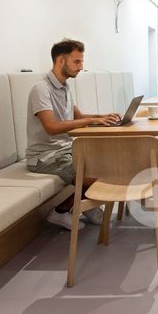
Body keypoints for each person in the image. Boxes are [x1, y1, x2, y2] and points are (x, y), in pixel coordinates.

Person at [27, 39, 121, 230]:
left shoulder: (65, 87)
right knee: (100, 179)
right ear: (61, 61)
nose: (81, 66)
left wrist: (103, 117)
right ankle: (60, 212)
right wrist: (89, 121)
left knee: (108, 166)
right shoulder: (41, 89)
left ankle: (87, 206)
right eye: (76, 61)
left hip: (67, 150)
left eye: (81, 61)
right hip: (45, 157)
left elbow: (78, 116)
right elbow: (51, 127)